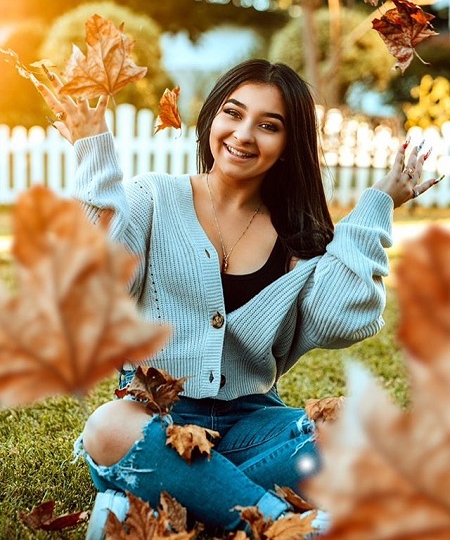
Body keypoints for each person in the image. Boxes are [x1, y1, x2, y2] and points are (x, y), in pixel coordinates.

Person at [35, 59, 438, 539]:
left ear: (289, 145)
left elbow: (342, 318)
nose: (244, 134)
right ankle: (281, 526)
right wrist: (93, 150)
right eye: (233, 112)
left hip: (253, 427)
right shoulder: (153, 199)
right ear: (212, 118)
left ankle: (169, 497)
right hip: (151, 421)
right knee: (106, 429)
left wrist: (378, 203)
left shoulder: (298, 237)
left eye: (269, 125)